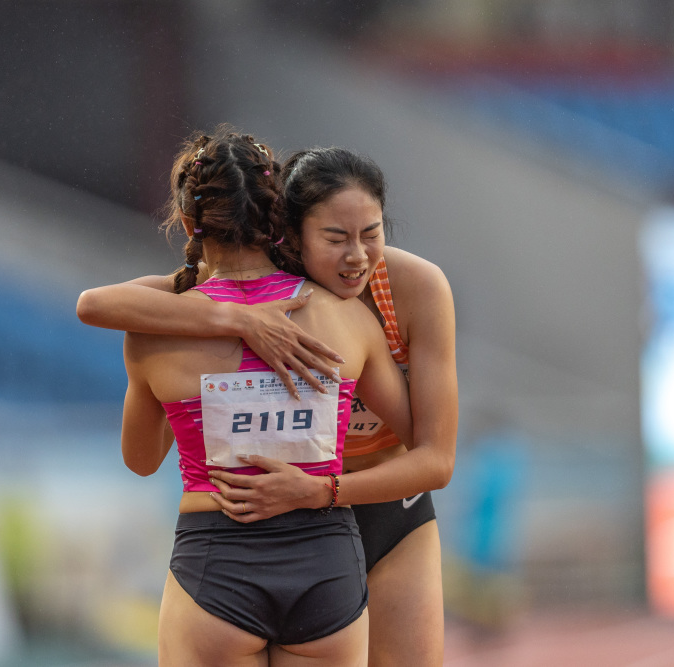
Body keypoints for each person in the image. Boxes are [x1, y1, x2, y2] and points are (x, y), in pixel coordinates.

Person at [78, 145, 457, 666]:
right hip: (324, 545)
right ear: (288, 232)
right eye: (335, 238)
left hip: (370, 509)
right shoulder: (339, 320)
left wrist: (320, 489)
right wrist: (239, 319)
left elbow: (436, 457)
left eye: (371, 234)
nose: (357, 257)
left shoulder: (414, 287)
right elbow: (96, 304)